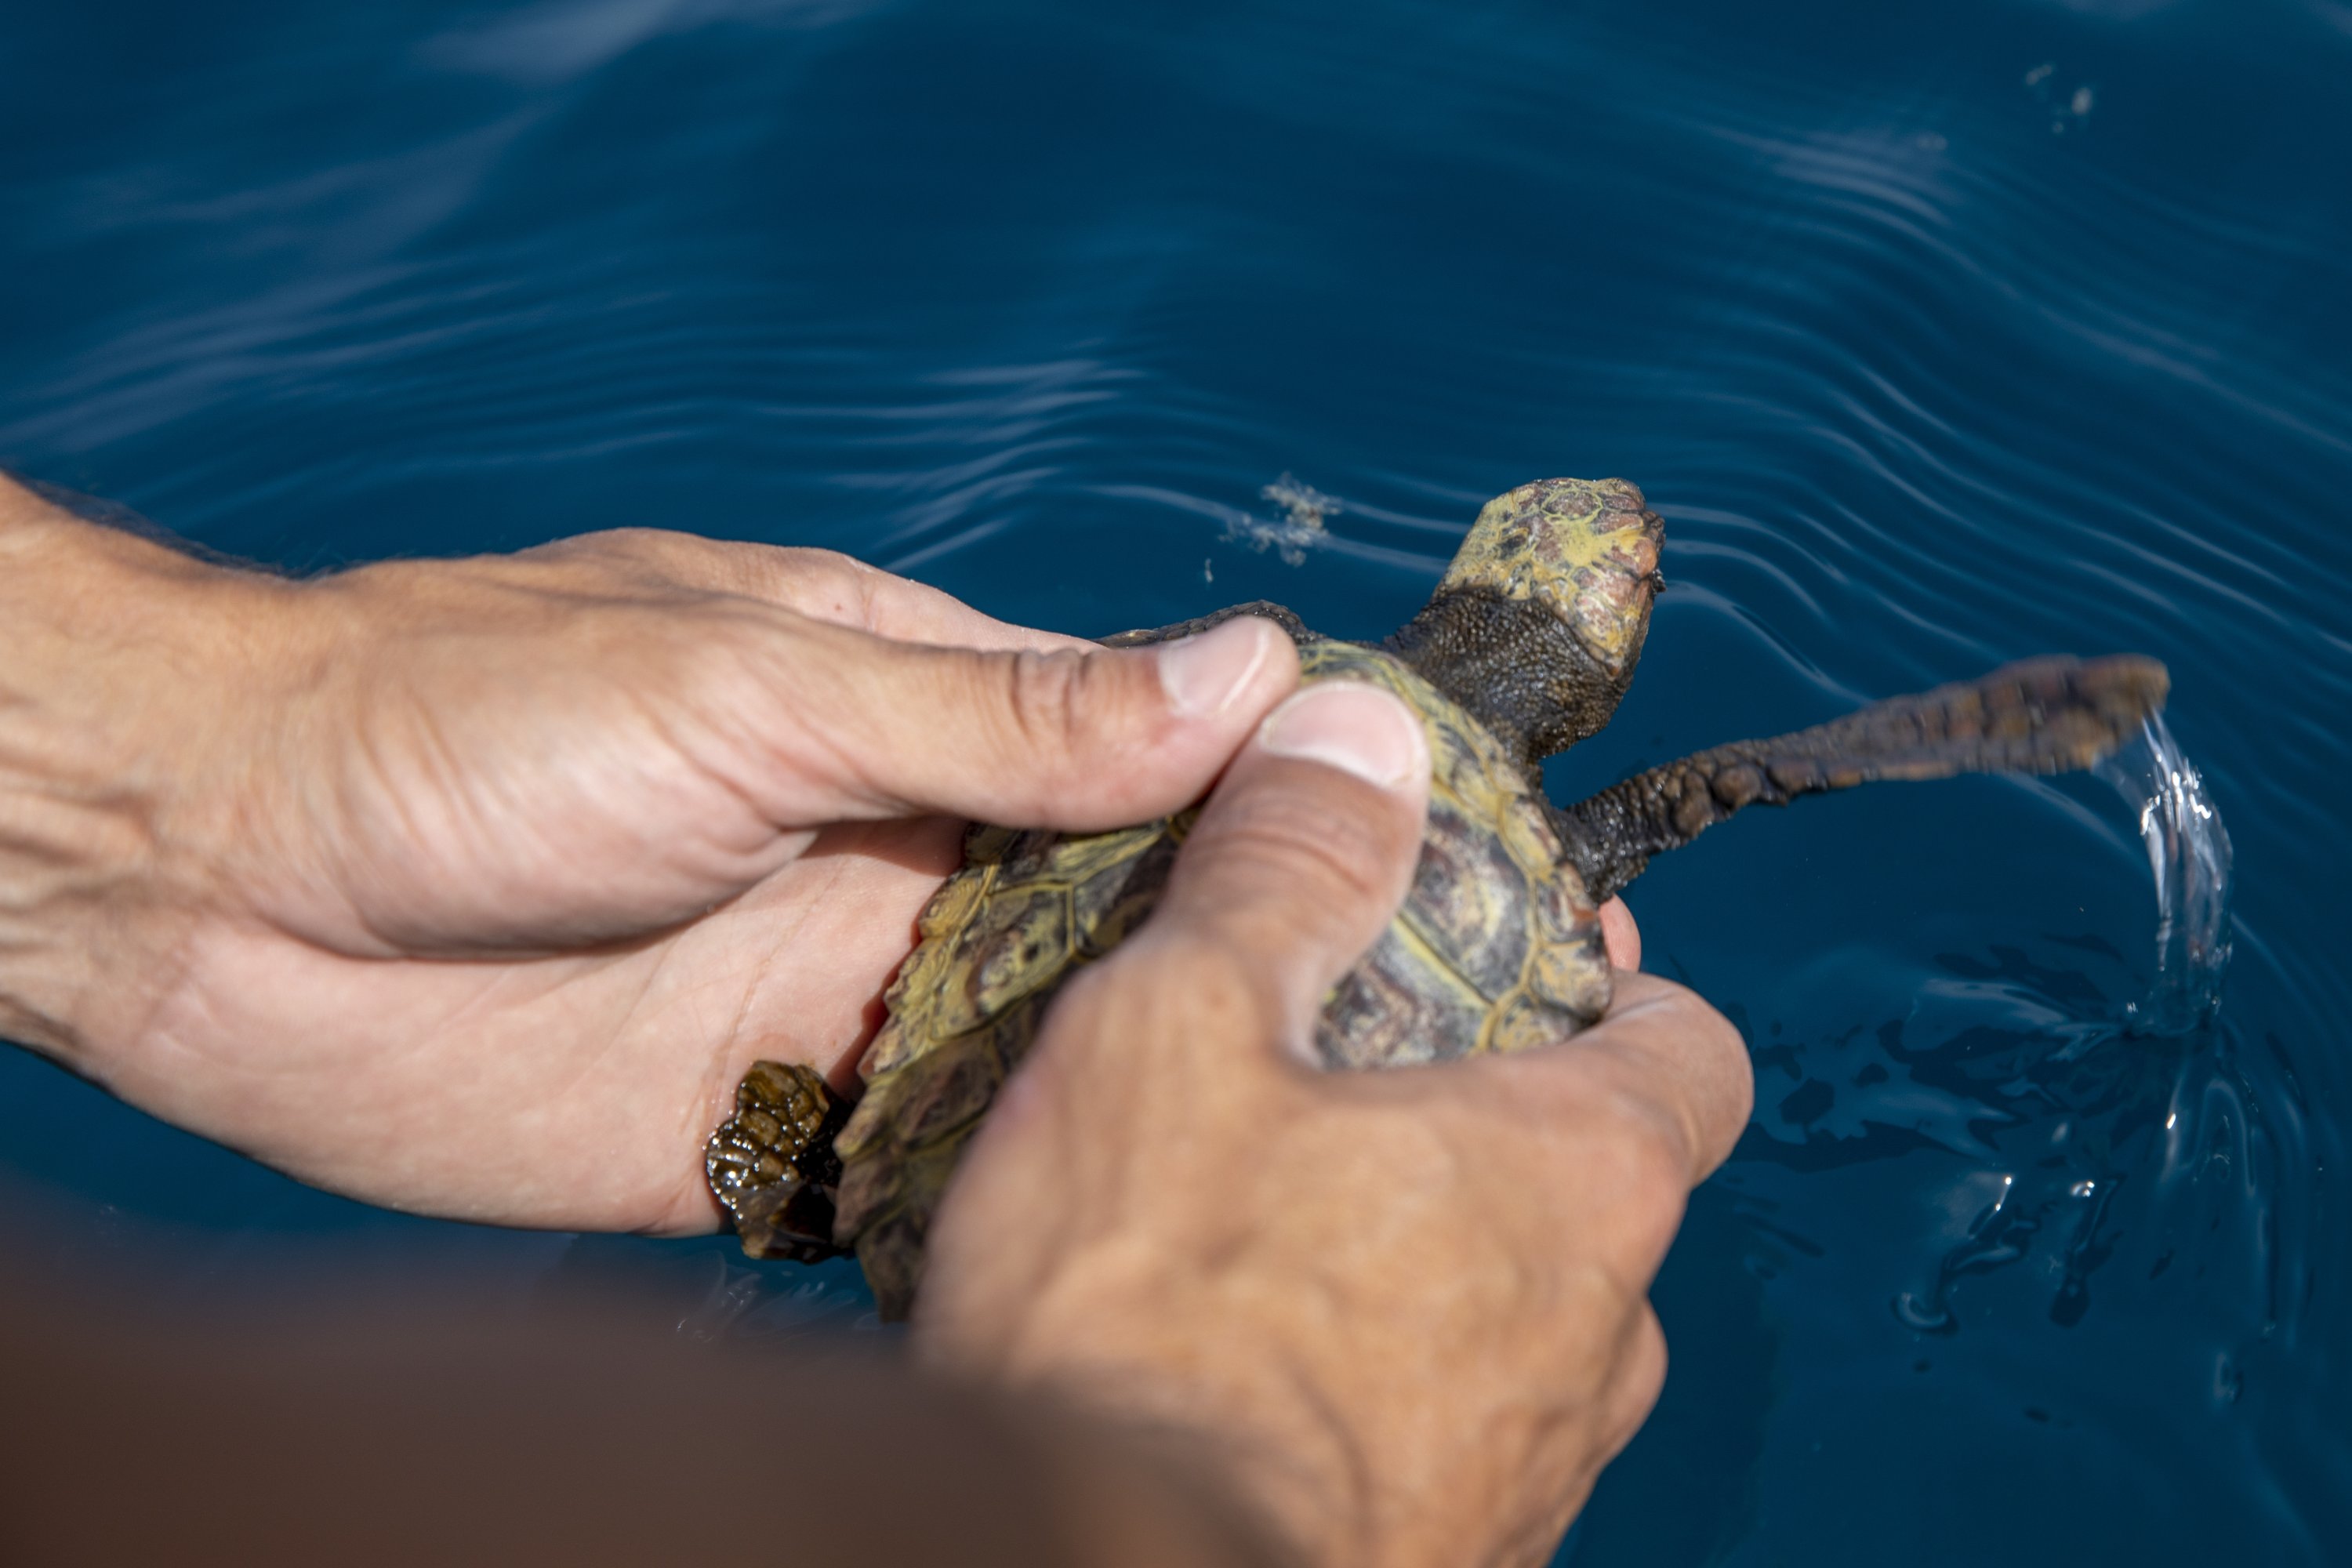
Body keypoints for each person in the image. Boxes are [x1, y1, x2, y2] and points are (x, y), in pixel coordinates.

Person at [0, 470, 1751, 1567]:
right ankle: (840, 1192)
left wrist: (210, 789)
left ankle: (849, 1178)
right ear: (1592, 666)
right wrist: (1217, 1506)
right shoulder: (1533, 838)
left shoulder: (1263, 684)